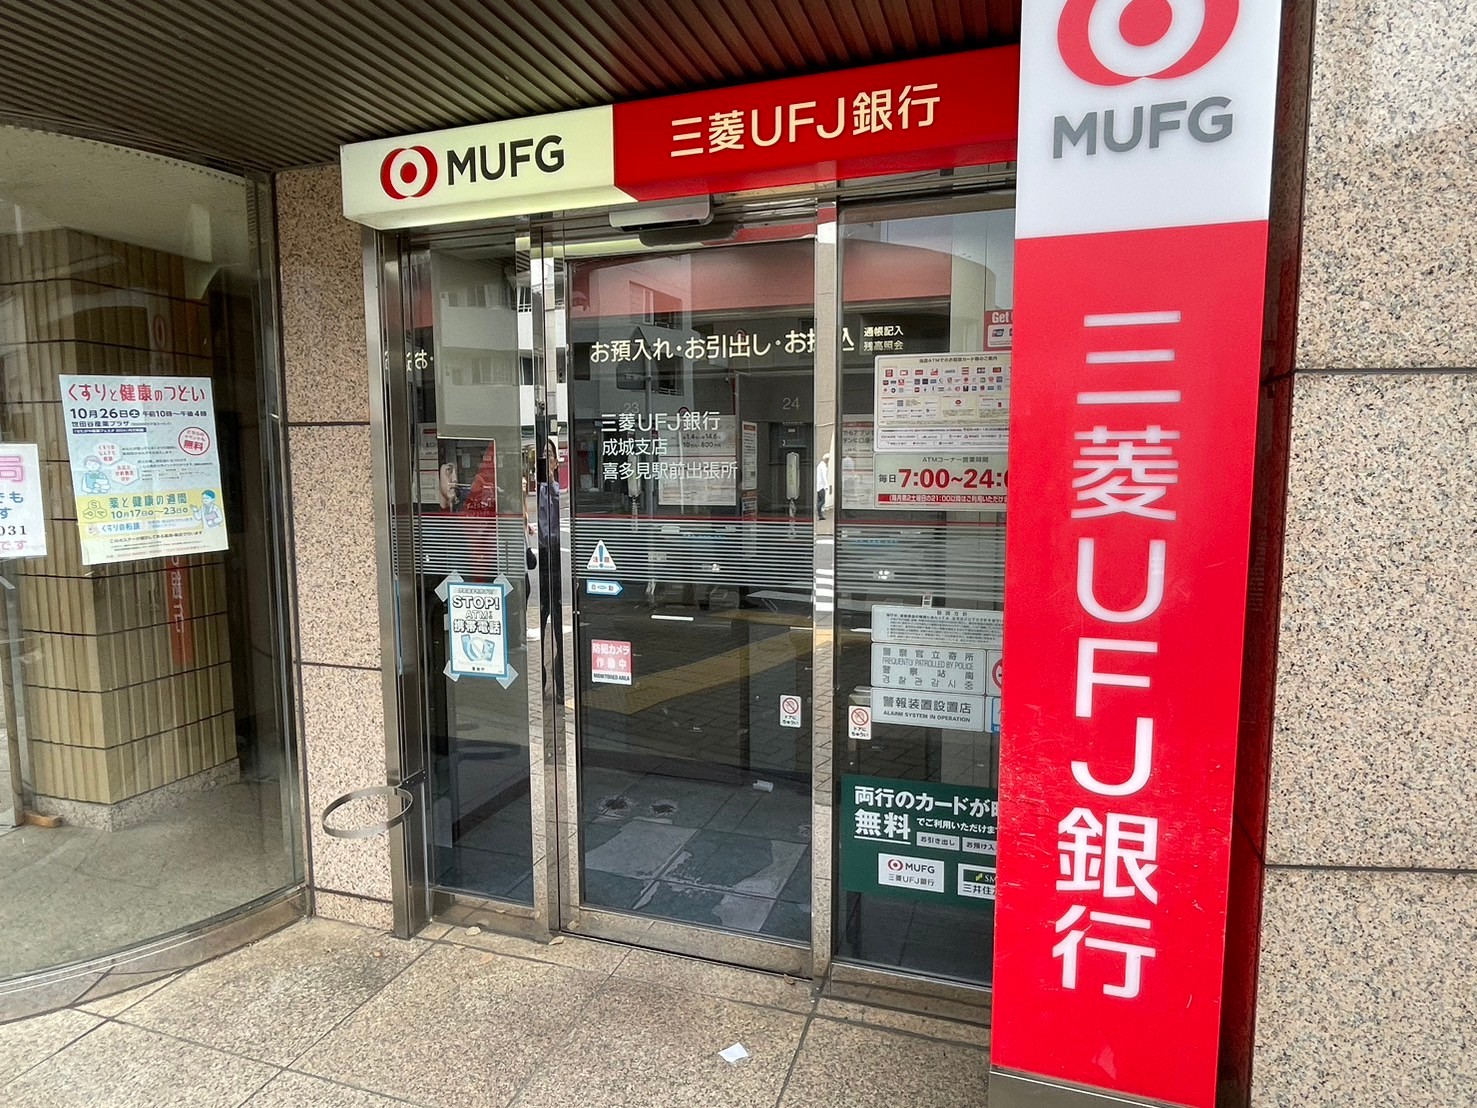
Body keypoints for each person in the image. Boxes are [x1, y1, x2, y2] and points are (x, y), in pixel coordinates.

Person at [816, 451, 831, 520]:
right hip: (822, 486)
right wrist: (826, 485)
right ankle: (818, 509)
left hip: (819, 485)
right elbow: (824, 476)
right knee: (823, 500)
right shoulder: (823, 466)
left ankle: (820, 515)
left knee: (820, 500)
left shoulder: (820, 465)